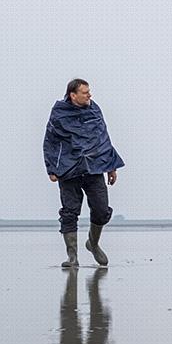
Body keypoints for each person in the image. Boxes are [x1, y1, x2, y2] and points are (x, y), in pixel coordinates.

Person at [43, 79, 124, 268]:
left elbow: (103, 137)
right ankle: (72, 257)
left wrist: (111, 165)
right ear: (73, 95)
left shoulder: (94, 110)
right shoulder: (59, 113)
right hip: (68, 169)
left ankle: (93, 243)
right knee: (70, 212)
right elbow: (50, 141)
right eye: (85, 92)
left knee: (102, 209)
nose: (89, 95)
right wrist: (51, 168)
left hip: (93, 167)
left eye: (89, 92)